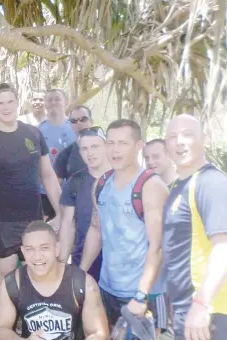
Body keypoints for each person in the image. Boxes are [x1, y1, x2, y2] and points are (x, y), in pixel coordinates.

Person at [80, 119, 169, 332]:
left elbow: (158, 247)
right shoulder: (101, 184)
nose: (115, 150)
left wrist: (141, 295)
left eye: (122, 143)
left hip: (142, 292)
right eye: (110, 143)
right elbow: (96, 229)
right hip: (107, 287)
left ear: (138, 146)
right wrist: (80, 272)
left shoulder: (151, 186)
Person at [0, 84, 62, 297]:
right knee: (5, 279)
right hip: (0, 221)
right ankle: (2, 324)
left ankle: (32, 322)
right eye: (0, 103)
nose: (6, 107)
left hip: (32, 218)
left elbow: (48, 175)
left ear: (17, 102)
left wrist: (61, 213)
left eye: (10, 102)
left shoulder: (33, 133)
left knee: (37, 272)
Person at [163, 115, 227, 340]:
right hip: (185, 307)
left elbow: (226, 247)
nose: (179, 141)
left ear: (203, 139)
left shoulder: (212, 183)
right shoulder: (181, 185)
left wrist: (201, 304)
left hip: (209, 311)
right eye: (172, 136)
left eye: (188, 134)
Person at [0, 221, 109, 340]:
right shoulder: (12, 284)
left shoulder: (83, 283)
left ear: (57, 248)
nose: (37, 256)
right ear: (23, 251)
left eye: (44, 248)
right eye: (30, 249)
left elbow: (99, 334)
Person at [58, 127, 108, 281]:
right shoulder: (75, 181)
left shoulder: (120, 179)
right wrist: (61, 264)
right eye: (84, 149)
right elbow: (68, 224)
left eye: (95, 147)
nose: (90, 153)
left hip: (116, 263)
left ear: (106, 147)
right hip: (83, 261)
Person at [38, 88, 76, 220]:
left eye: (57, 99)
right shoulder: (38, 130)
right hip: (44, 193)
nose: (53, 102)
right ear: (45, 104)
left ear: (66, 102)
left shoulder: (75, 126)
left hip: (71, 191)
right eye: (49, 99)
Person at [54, 105, 93, 179]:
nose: (79, 123)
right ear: (71, 125)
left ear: (91, 122)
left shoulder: (107, 148)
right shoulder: (65, 155)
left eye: (83, 119)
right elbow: (55, 185)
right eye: (74, 121)